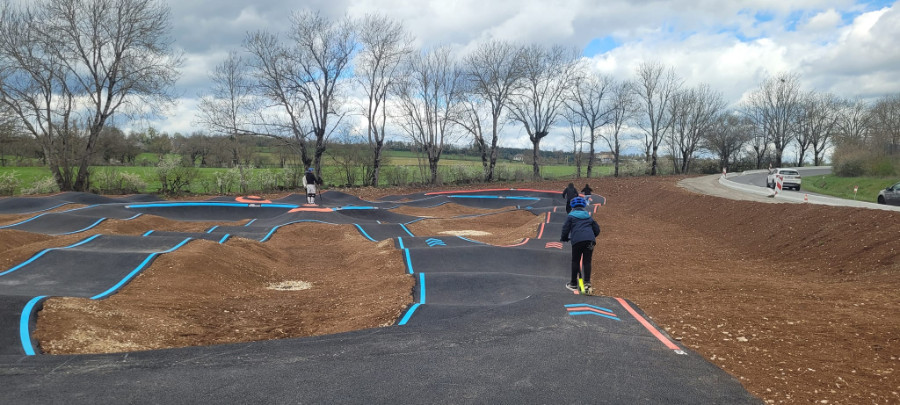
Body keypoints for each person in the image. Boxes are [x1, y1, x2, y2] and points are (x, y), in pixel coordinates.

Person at [560, 196, 600, 292]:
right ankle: (587, 283)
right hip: (590, 241)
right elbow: (597, 229)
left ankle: (573, 283)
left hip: (577, 240)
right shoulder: (588, 216)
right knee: (587, 261)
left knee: (575, 261)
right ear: (584, 206)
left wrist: (564, 238)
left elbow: (565, 229)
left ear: (572, 206)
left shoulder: (571, 216)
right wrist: (591, 237)